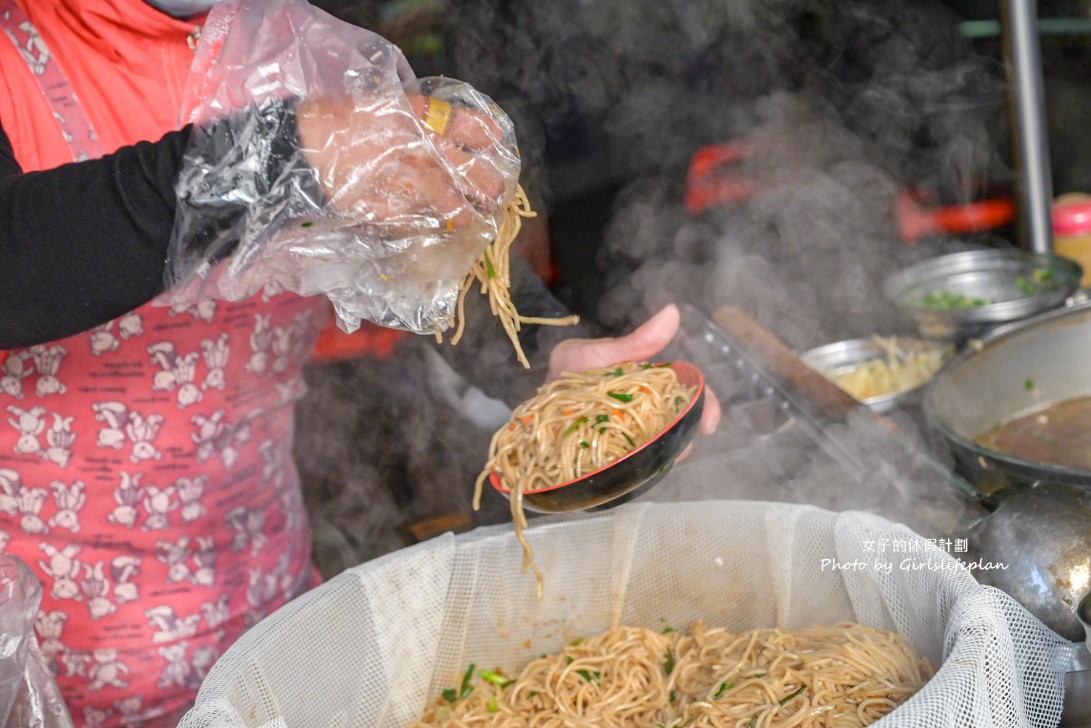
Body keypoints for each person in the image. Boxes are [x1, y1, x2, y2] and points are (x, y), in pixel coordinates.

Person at [0, 0, 720, 725]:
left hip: (266, 631)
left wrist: (543, 356)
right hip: (34, 666)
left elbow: (422, 262)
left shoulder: (305, 53)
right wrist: (276, 151)